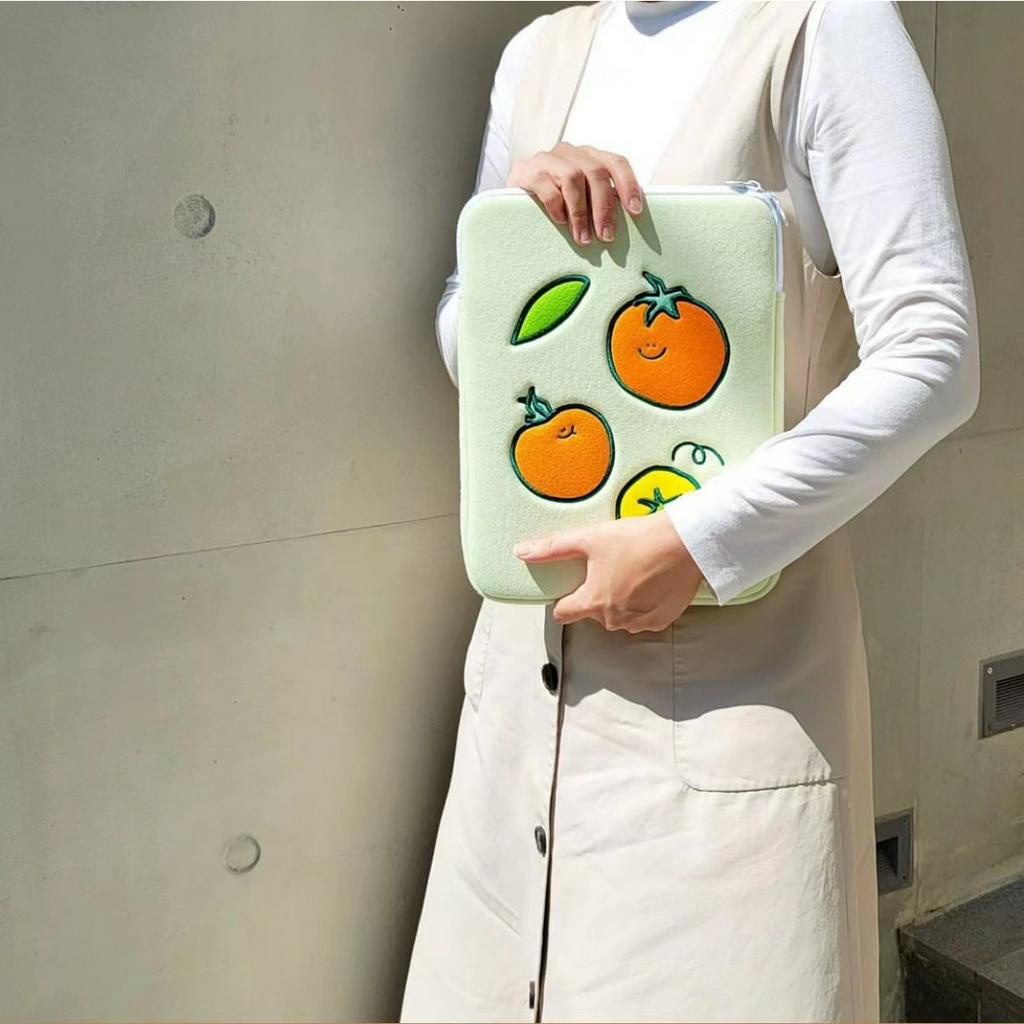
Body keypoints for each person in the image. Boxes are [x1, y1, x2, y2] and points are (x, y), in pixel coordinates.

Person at [402, 1, 980, 1021]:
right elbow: (468, 326)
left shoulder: (823, 29)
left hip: (728, 685)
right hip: (526, 685)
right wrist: (520, 254)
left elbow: (934, 353)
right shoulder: (539, 55)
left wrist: (695, 542)